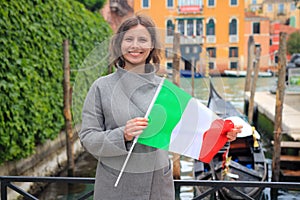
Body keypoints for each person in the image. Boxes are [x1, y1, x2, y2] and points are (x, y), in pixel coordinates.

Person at [79, 14, 242, 200]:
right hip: (115, 188)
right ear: (118, 44)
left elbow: (191, 131)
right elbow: (88, 139)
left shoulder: (165, 91)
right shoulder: (101, 87)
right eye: (129, 39)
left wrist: (223, 134)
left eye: (142, 40)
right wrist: (123, 134)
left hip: (156, 189)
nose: (135, 46)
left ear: (152, 46)